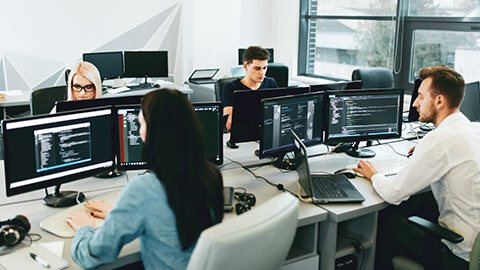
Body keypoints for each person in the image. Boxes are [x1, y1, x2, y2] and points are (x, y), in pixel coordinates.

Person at [65, 89, 224, 269]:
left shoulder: (143, 189)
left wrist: (83, 229)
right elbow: (168, 222)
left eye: (141, 123)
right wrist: (120, 216)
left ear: (154, 131)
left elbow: (92, 255)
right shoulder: (211, 175)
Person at [353, 64, 480, 269]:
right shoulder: (474, 130)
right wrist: (425, 149)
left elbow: (394, 194)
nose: (414, 103)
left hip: (459, 257)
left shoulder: (439, 140)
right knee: (421, 205)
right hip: (477, 250)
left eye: (421, 96)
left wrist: (373, 174)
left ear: (439, 101)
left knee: (385, 222)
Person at [222, 46, 278, 131]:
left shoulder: (271, 83)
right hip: (243, 136)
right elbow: (229, 124)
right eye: (257, 68)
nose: (262, 72)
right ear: (245, 66)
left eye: (264, 68)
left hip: (266, 134)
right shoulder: (231, 88)